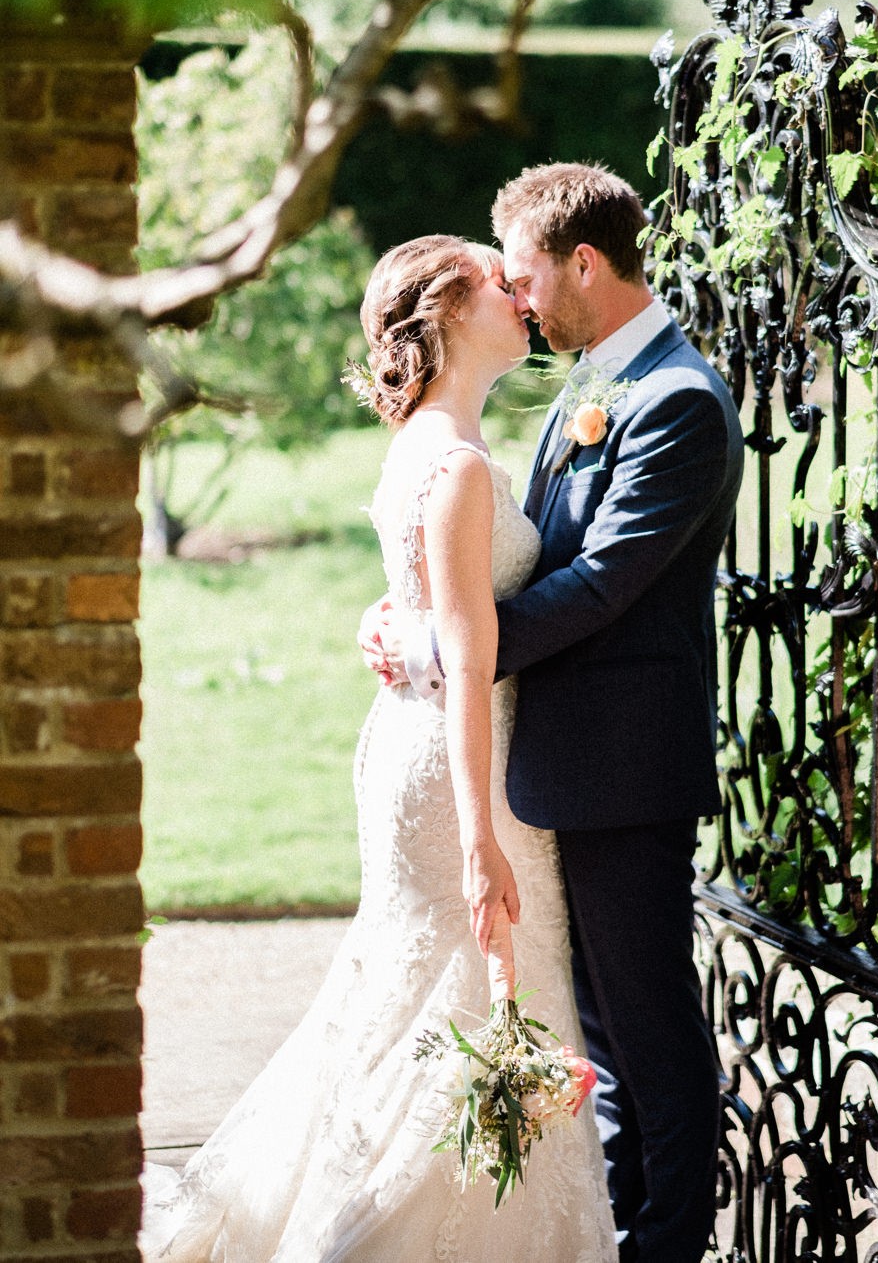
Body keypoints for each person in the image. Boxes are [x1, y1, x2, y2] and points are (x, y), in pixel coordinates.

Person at [139, 235, 617, 1263]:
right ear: (445, 311)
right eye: (498, 282)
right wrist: (478, 836)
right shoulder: (456, 468)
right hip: (456, 769)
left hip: (416, 743)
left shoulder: (432, 448)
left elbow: (431, 615)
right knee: (466, 999)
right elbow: (469, 655)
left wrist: (396, 634)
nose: (521, 295)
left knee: (409, 998)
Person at [365, 163, 745, 1262]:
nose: (519, 299)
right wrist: (407, 615)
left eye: (525, 276)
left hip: (625, 769)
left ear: (584, 262)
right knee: (608, 1040)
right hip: (563, 766)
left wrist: (443, 651)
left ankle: (667, 1243)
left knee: (652, 1036)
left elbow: (601, 584)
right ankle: (624, 1233)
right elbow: (490, 562)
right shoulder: (595, 382)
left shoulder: (673, 399)